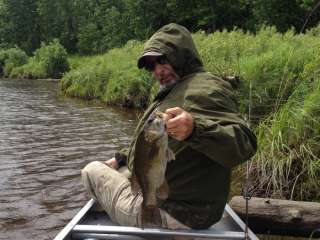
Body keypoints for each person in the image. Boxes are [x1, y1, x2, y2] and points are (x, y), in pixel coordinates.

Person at [81, 23, 257, 230]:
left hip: (173, 213)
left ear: (182, 55)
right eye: (151, 66)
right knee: (120, 168)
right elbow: (152, 144)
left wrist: (195, 130)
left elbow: (244, 144)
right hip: (191, 209)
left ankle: (134, 216)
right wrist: (120, 158)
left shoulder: (205, 91)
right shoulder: (181, 88)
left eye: (162, 60)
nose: (158, 71)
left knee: (91, 170)